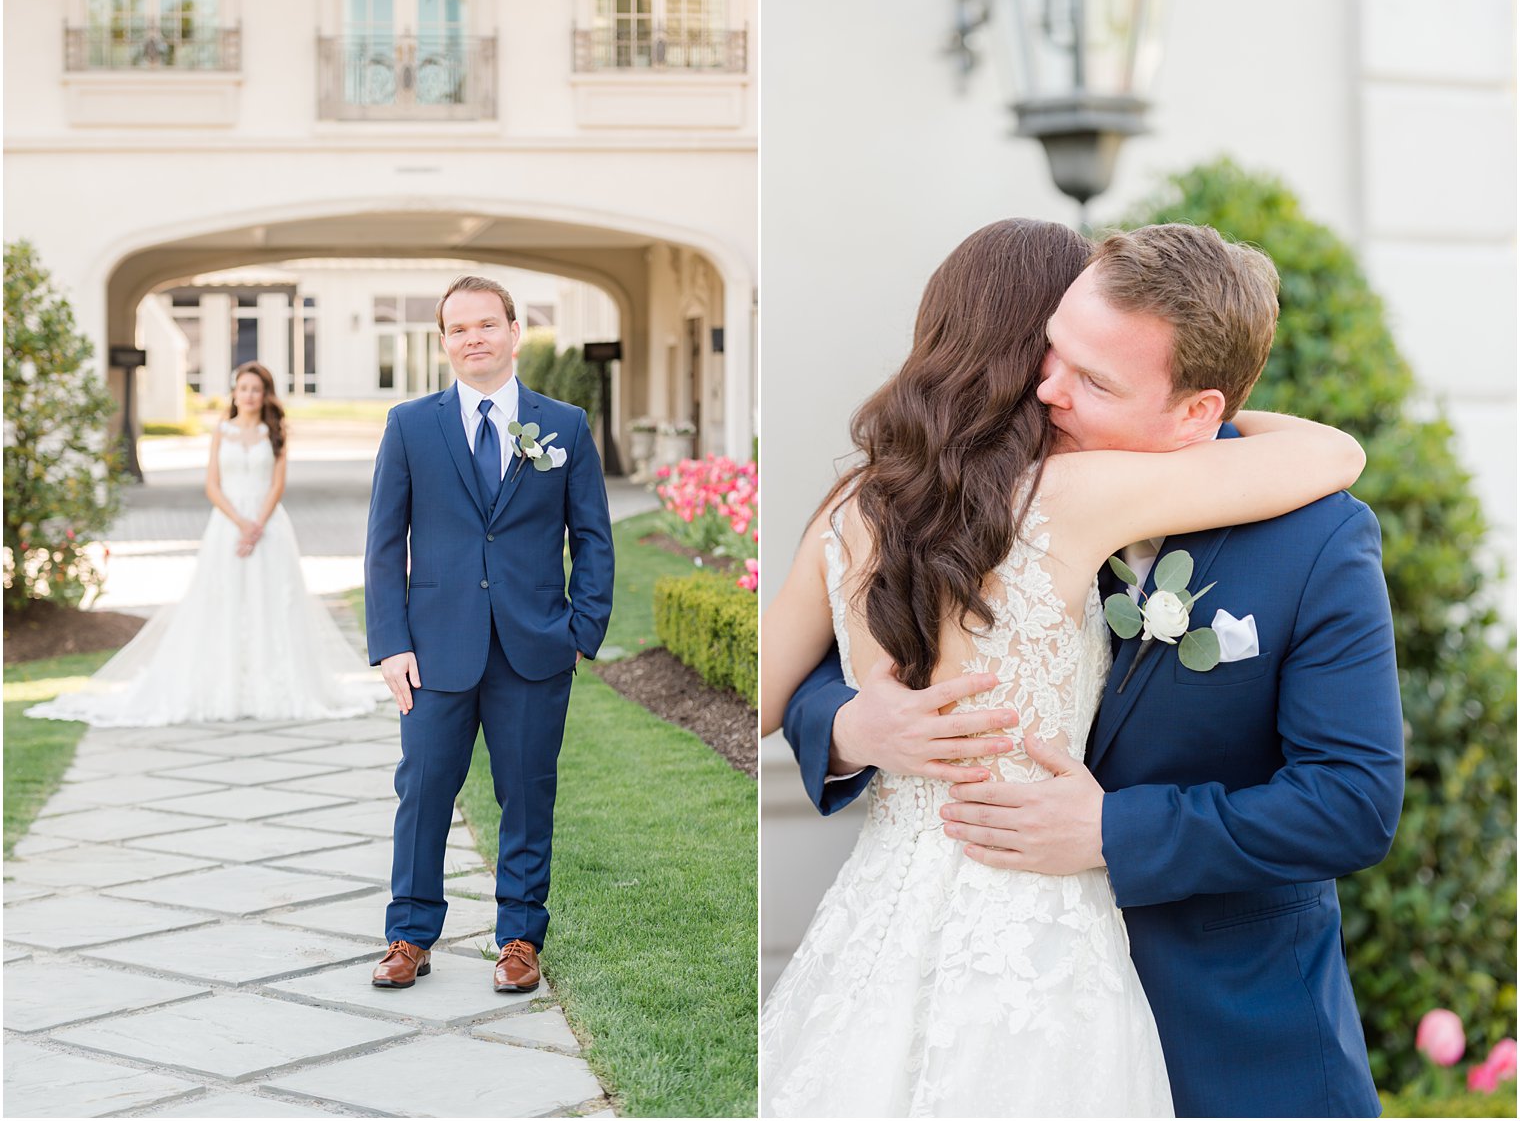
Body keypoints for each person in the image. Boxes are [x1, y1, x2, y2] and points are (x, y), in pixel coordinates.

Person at [772, 222, 1405, 1117]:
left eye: (1093, 379)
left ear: (1197, 412)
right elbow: (827, 668)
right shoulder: (992, 501)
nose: (1045, 389)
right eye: (1049, 352)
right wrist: (848, 726)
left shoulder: (1315, 537)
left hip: (1236, 1041)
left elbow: (1353, 803)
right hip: (975, 994)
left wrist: (1116, 832)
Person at [365, 275, 614, 995]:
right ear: (444, 341)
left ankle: (519, 937)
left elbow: (592, 538)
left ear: (513, 330)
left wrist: (580, 630)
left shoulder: (562, 426)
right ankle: (409, 934)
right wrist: (390, 643)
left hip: (535, 647)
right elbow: (385, 544)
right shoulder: (410, 425)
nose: (473, 338)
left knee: (529, 794)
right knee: (422, 792)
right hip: (434, 650)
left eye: (486, 325)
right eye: (458, 329)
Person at [26, 361, 385, 727]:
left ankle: (272, 683)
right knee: (223, 600)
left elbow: (277, 484)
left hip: (269, 525)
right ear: (234, 392)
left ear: (265, 395)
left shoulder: (274, 432)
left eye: (255, 389)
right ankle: (224, 683)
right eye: (243, 388)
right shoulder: (222, 431)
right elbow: (212, 485)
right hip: (228, 526)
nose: (248, 395)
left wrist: (258, 525)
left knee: (272, 600)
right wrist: (241, 523)